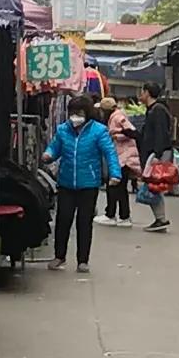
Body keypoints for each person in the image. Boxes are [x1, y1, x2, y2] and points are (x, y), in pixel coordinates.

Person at [45, 97, 118, 273]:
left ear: (87, 113)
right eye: (72, 113)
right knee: (63, 220)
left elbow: (110, 153)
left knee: (84, 222)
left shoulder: (99, 131)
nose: (75, 116)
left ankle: (82, 260)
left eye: (79, 113)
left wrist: (115, 174)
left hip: (89, 184)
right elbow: (55, 148)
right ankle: (59, 256)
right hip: (66, 183)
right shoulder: (63, 130)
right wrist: (48, 154)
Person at [135, 91, 179, 229]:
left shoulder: (158, 110)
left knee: (155, 184)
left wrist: (157, 155)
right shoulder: (153, 110)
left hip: (155, 153)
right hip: (152, 152)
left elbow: (160, 133)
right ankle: (160, 218)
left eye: (141, 92)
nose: (139, 95)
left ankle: (161, 219)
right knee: (154, 185)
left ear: (148, 93)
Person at [104, 99, 140, 225]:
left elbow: (132, 132)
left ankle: (114, 215)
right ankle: (122, 215)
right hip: (123, 156)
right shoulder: (119, 115)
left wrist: (115, 135)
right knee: (120, 188)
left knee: (115, 186)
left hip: (123, 157)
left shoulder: (117, 117)